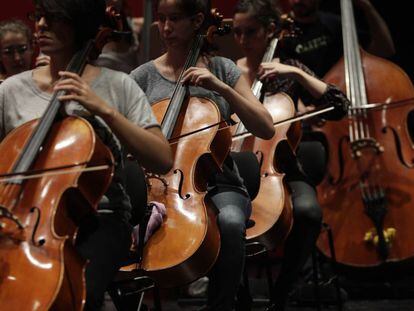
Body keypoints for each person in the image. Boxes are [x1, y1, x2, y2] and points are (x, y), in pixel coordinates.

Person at [0, 0, 172, 310]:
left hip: (100, 215)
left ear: (78, 24)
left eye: (53, 19)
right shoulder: (10, 91)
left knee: (81, 294)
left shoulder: (119, 85)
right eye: (39, 18)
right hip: (19, 212)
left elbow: (161, 159)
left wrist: (102, 108)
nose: (40, 26)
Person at [130, 0, 275, 309]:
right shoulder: (141, 77)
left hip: (220, 183)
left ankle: (221, 304)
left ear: (197, 20)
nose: (166, 28)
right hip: (156, 185)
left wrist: (222, 88)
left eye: (176, 19)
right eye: (162, 19)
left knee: (232, 223)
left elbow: (265, 127)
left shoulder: (223, 68)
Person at [232, 0, 350, 310]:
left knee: (309, 212)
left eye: (251, 32)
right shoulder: (229, 71)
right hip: (236, 167)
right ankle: (238, 293)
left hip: (281, 166)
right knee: (226, 217)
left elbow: (339, 106)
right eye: (237, 32)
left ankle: (282, 293)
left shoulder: (289, 68)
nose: (243, 40)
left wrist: (294, 73)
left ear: (271, 31)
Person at [280, 0, 395, 78]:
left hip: (343, 92)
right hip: (310, 106)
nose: (297, 1)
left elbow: (384, 50)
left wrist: (368, 8)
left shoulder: (335, 23)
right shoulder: (281, 32)